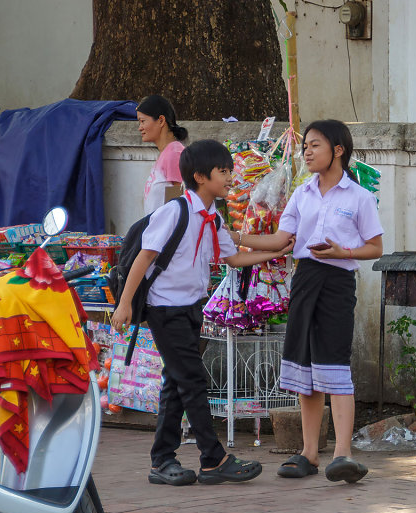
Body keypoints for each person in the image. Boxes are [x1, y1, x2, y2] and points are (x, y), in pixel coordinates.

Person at [111, 139, 293, 486]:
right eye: (223, 171)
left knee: (176, 384)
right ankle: (214, 457)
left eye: (229, 170)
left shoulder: (212, 219)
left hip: (191, 309)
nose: (230, 176)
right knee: (193, 381)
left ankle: (162, 460)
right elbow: (143, 258)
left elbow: (234, 258)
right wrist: (124, 304)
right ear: (199, 176)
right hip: (165, 311)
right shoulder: (175, 212)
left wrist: (275, 255)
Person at [236, 120, 383, 483]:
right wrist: (233, 236)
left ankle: (343, 453)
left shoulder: (359, 197)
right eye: (306, 146)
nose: (308, 151)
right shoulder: (301, 194)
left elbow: (375, 247)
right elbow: (281, 241)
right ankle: (309, 453)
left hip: (337, 282)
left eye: (316, 145)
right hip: (303, 281)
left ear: (338, 150)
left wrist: (341, 251)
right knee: (304, 368)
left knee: (335, 364)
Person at [137, 95, 188, 215]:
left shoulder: (174, 153)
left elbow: (177, 202)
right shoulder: (166, 153)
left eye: (143, 121)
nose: (140, 128)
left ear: (161, 120)